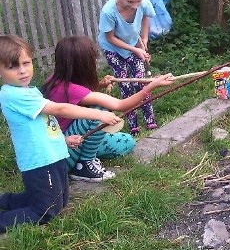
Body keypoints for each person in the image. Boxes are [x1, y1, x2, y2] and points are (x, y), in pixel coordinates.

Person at [0, 35, 121, 234]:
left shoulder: (28, 90)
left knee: (61, 200)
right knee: (46, 210)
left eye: (26, 63)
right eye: (12, 66)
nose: (22, 71)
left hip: (53, 153)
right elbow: (60, 110)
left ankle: (5, 201)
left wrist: (63, 139)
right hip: (40, 161)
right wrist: (98, 114)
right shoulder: (13, 94)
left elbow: (43, 125)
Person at [40, 36, 175, 182]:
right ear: (84, 65)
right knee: (100, 110)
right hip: (63, 153)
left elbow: (80, 95)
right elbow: (120, 105)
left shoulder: (55, 79)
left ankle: (85, 154)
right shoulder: (71, 89)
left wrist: (100, 85)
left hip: (67, 142)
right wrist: (151, 86)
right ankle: (84, 165)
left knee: (127, 141)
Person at [97, 0, 157, 136]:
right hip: (113, 48)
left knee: (141, 82)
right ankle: (133, 125)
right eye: (130, 1)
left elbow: (145, 18)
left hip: (133, 44)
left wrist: (143, 41)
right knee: (125, 83)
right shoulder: (108, 11)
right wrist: (134, 50)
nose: (134, 6)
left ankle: (150, 120)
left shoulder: (143, 4)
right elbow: (110, 38)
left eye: (138, 1)